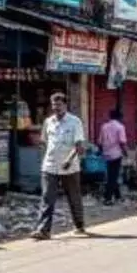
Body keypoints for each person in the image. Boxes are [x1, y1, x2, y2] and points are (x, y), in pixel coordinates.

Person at [32, 92, 89, 240]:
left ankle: (79, 224)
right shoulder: (48, 122)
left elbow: (79, 146)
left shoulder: (75, 121)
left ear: (65, 105)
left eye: (59, 105)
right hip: (50, 166)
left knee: (74, 197)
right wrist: (43, 160)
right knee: (47, 198)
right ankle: (43, 230)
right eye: (54, 105)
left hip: (70, 167)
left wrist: (69, 160)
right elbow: (44, 142)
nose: (56, 108)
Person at [97, 109, 128, 205]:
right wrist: (126, 153)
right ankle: (108, 198)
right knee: (113, 177)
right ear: (120, 117)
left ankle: (118, 196)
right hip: (116, 154)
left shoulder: (104, 126)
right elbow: (122, 142)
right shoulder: (120, 127)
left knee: (112, 175)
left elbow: (100, 142)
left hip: (106, 154)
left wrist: (102, 151)